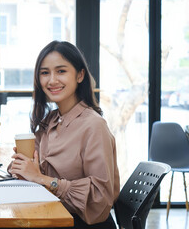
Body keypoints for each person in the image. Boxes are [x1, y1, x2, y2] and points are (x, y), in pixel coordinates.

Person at [8, 41, 120, 228]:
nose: (52, 80)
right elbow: (29, 167)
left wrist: (41, 179)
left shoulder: (94, 126)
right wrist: (22, 167)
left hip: (84, 223)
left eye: (61, 71)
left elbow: (101, 198)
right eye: (45, 73)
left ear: (80, 75)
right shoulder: (51, 120)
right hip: (54, 216)